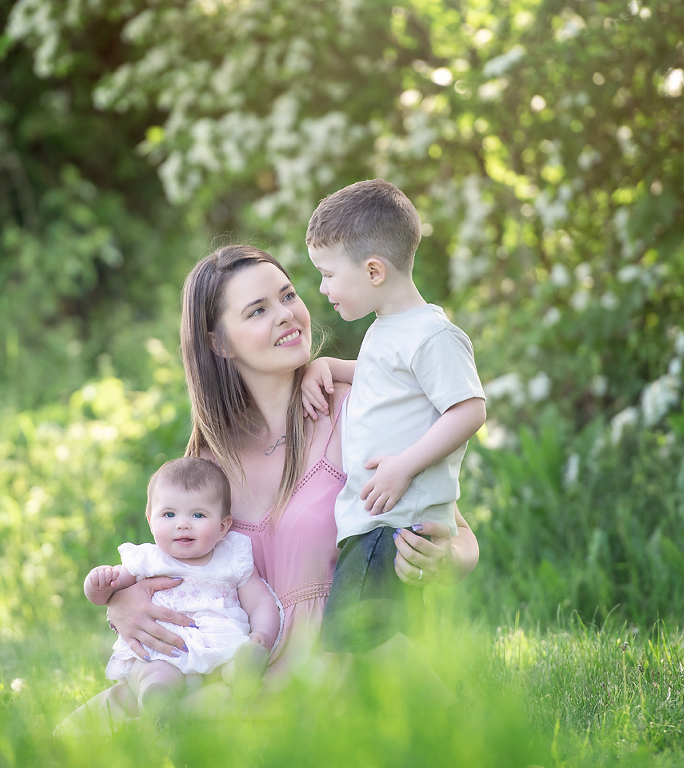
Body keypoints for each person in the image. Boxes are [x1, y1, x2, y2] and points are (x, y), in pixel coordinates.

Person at [61, 245, 479, 732]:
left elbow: (460, 536)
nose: (286, 315)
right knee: (71, 744)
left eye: (287, 296)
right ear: (219, 342)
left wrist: (444, 560)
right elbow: (177, 572)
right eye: (258, 310)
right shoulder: (206, 464)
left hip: (342, 667)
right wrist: (121, 605)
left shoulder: (358, 412)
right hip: (239, 670)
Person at [305, 179, 486, 653]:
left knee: (355, 646)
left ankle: (415, 718)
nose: (322, 288)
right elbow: (375, 377)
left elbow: (469, 409)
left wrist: (405, 465)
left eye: (327, 274)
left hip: (392, 524)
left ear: (373, 270)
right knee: (384, 641)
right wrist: (326, 366)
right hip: (377, 525)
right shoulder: (389, 330)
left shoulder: (431, 335)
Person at [83, 457, 279, 715]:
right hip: (164, 651)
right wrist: (97, 585)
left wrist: (261, 637)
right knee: (154, 674)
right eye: (169, 514)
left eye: (198, 514)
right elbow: (109, 590)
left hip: (220, 644)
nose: (182, 523)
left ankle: (242, 672)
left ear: (223, 526)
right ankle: (158, 703)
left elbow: (260, 602)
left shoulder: (233, 556)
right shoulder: (148, 558)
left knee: (233, 661)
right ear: (151, 520)